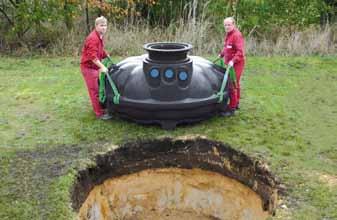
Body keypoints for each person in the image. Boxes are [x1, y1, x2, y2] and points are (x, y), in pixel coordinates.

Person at [80, 16, 112, 120]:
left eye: (105, 25)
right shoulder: (93, 38)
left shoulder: (99, 37)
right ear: (96, 26)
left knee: (99, 88)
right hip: (88, 68)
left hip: (94, 68)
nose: (104, 28)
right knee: (95, 91)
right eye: (101, 25)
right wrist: (102, 67)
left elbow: (100, 51)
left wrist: (106, 55)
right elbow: (93, 57)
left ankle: (102, 108)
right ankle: (99, 114)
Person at [218, 17, 245, 116]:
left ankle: (232, 108)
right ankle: (236, 102)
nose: (227, 27)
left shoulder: (236, 35)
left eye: (229, 25)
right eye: (225, 25)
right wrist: (221, 54)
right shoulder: (228, 35)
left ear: (233, 25)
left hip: (237, 64)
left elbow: (240, 52)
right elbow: (227, 47)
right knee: (235, 82)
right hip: (230, 63)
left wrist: (233, 61)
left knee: (231, 84)